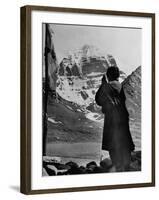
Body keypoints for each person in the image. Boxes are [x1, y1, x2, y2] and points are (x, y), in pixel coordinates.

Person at [95, 67, 135, 172]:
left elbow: (98, 99)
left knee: (113, 143)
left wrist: (103, 84)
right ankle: (125, 166)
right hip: (122, 117)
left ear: (109, 75)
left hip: (112, 119)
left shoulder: (108, 86)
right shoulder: (120, 85)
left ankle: (117, 167)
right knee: (124, 141)